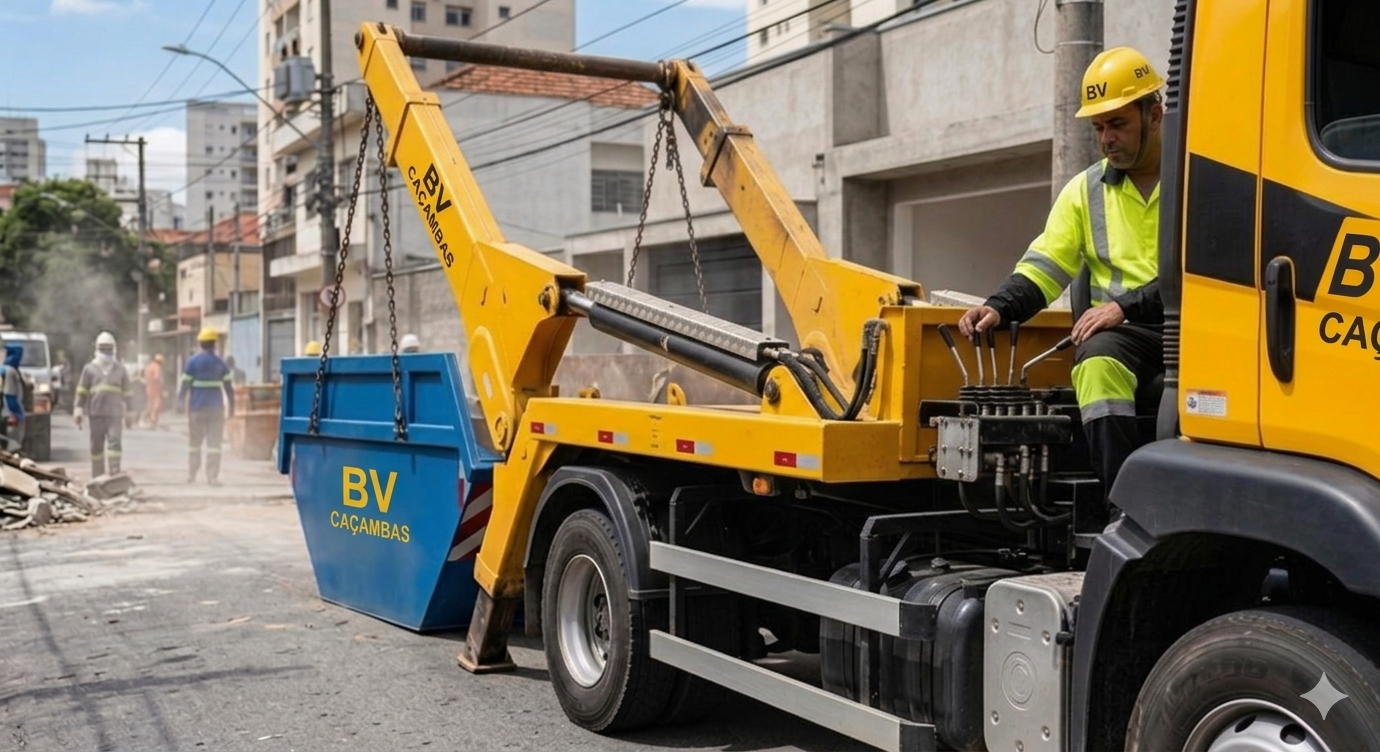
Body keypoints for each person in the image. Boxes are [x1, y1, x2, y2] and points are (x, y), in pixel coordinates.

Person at [958, 46, 1165, 508]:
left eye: (1117, 124)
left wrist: (1122, 306)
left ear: (1154, 114)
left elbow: (1201, 271)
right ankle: (1124, 508)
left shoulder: (1200, 178)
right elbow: (1046, 265)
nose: (1106, 138)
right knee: (1095, 361)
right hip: (1129, 338)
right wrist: (998, 306)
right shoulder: (1085, 191)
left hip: (1202, 327)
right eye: (1098, 128)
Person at [179, 327, 235, 486]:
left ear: (200, 344)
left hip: (196, 408)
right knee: (214, 445)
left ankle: (192, 474)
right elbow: (229, 389)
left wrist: (179, 401)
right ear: (214, 344)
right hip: (216, 409)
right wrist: (232, 408)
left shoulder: (192, 362)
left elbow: (184, 385)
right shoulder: (221, 363)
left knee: (194, 444)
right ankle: (212, 477)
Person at [74, 332, 132, 478]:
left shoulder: (120, 369)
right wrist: (78, 409)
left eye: (109, 348)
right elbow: (82, 390)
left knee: (114, 444)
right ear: (97, 348)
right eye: (103, 348)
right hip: (96, 414)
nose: (106, 351)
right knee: (96, 446)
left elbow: (128, 393)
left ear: (114, 349)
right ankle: (97, 475)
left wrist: (130, 412)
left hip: (115, 415)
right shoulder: (89, 369)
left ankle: (114, 472)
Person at [2, 343, 25, 452]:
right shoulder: (10, 371)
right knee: (13, 446)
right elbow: (9, 395)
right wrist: (16, 414)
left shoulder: (4, 369)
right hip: (9, 412)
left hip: (4, 412)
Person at [143, 354, 164, 428]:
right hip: (156, 389)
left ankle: (146, 419)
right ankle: (153, 420)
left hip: (148, 388)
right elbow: (157, 377)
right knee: (156, 405)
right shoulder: (157, 367)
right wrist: (161, 387)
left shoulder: (149, 367)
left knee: (150, 405)